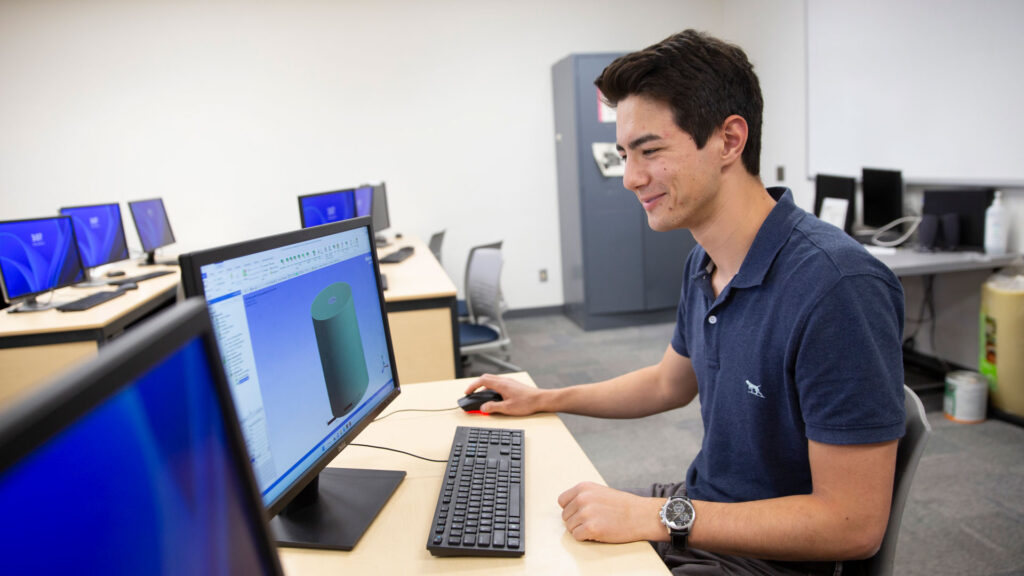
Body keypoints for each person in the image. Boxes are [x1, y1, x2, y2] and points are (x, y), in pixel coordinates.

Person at [466, 29, 906, 575]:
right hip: (705, 515)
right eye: (626, 154)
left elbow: (853, 524)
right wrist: (545, 397)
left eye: (650, 151)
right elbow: (668, 383)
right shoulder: (703, 261)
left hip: (767, 560)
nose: (630, 178)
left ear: (728, 140)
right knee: (535, 539)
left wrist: (662, 516)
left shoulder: (837, 288)